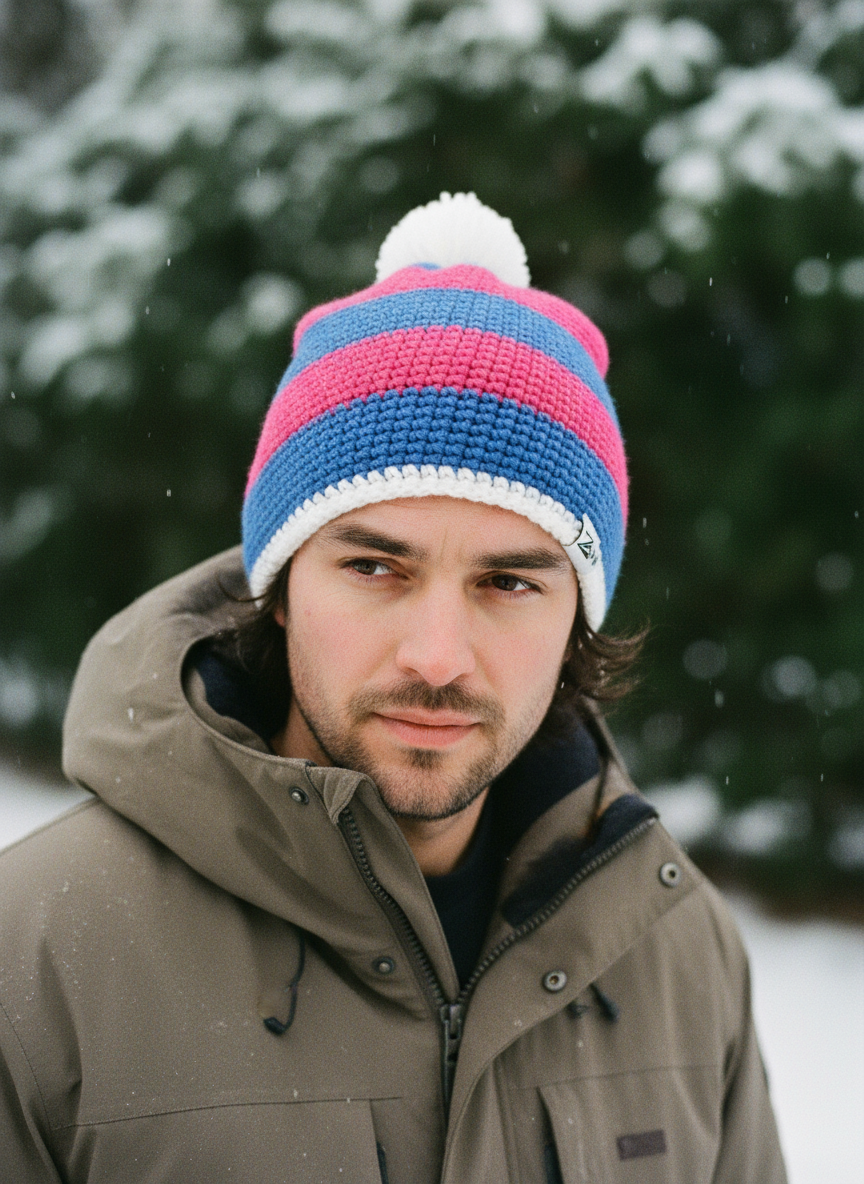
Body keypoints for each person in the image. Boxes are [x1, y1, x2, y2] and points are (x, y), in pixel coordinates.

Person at [0, 193, 786, 1183]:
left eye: (508, 581)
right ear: (280, 589)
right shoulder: (35, 957)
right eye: (377, 567)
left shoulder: (677, 950)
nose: (437, 653)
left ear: (576, 617)